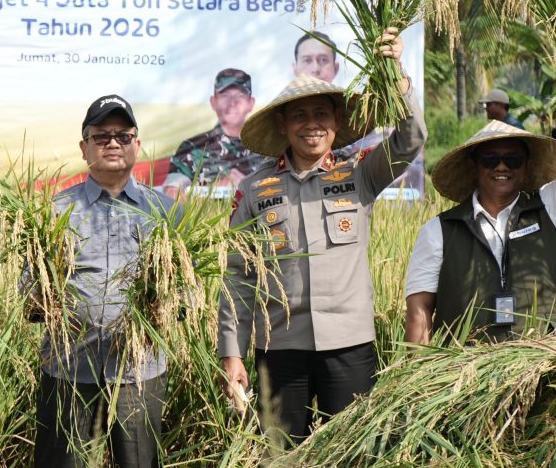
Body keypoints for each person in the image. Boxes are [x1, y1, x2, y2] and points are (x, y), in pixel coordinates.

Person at [218, 28, 425, 444]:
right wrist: (232, 352)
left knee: (350, 456)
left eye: (321, 114)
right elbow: (237, 277)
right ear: (282, 124)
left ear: (336, 122)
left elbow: (411, 139)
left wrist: (397, 75)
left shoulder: (360, 173)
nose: (311, 125)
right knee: (279, 458)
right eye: (299, 115)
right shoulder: (255, 189)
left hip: (349, 346)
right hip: (280, 348)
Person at [30, 95, 178, 468]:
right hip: (68, 367)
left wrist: (164, 307)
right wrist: (47, 302)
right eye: (101, 136)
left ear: (137, 145)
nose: (113, 143)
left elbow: (182, 292)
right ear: (84, 148)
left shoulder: (164, 210)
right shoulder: (55, 211)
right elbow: (31, 291)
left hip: (139, 370)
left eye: (122, 136)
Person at [405, 121, 556, 345]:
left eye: (513, 159)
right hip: (465, 364)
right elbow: (419, 310)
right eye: (490, 159)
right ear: (473, 166)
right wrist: (419, 365)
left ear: (527, 165)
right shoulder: (439, 231)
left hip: (540, 363)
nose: (501, 167)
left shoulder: (549, 208)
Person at [165, 69, 264, 195]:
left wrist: (249, 189)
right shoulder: (192, 147)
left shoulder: (268, 149)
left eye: (240, 96)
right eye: (225, 96)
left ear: (251, 103)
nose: (232, 103)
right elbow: (171, 193)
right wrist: (215, 190)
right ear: (213, 102)